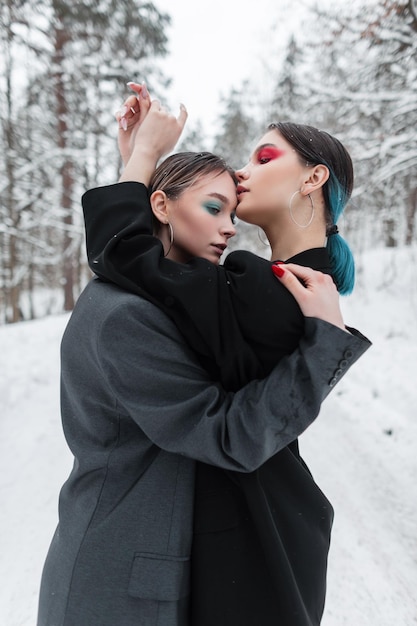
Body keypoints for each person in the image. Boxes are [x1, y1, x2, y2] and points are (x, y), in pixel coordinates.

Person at [37, 94, 371, 626]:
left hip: (216, 558)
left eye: (263, 159)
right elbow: (139, 265)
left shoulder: (255, 289)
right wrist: (139, 164)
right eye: (215, 207)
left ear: (313, 180)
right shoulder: (129, 312)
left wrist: (139, 166)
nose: (230, 219)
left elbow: (135, 260)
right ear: (161, 207)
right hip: (119, 576)